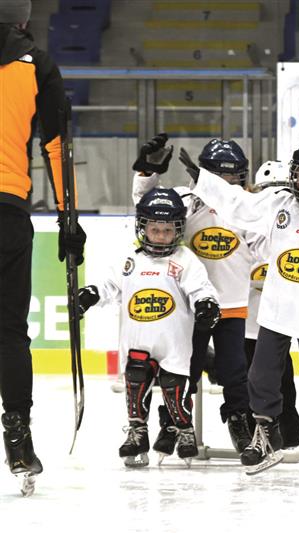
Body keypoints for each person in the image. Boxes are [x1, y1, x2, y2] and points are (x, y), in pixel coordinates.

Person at [185, 135, 299, 480]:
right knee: (261, 375)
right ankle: (265, 431)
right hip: (276, 311)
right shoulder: (278, 204)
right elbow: (238, 202)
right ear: (294, 175)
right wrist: (203, 180)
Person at [0, 0, 85, 492]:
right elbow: (58, 144)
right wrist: (68, 219)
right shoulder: (38, 64)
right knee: (10, 332)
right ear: (24, 21)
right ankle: (17, 439)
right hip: (8, 210)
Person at [132, 135, 258, 456]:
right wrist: (148, 172)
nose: (228, 185)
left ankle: (239, 420)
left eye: (234, 177)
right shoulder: (186, 200)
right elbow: (150, 209)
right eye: (221, 177)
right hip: (190, 306)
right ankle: (171, 421)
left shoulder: (248, 207)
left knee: (234, 370)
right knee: (184, 368)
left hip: (232, 305)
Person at [77, 188, 220, 467]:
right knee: (135, 382)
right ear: (142, 227)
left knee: (174, 388)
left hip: (174, 344)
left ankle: (184, 429)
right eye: (155, 229)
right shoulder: (130, 259)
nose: (161, 236)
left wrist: (205, 304)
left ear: (178, 229)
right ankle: (137, 432)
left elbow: (201, 288)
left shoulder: (184, 260)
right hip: (138, 341)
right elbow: (109, 285)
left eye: (168, 230)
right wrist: (90, 294)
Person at [243, 160, 299, 448]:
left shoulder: (294, 226)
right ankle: (256, 432)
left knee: (282, 378)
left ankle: (287, 431)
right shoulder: (246, 226)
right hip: (247, 321)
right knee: (249, 379)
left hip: (279, 320)